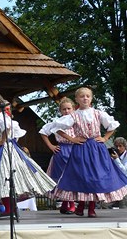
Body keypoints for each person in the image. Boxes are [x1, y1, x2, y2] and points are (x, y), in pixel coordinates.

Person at [49, 87, 127, 217]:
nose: (85, 98)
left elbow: (112, 125)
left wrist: (105, 138)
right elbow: (57, 128)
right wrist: (72, 139)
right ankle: (80, 206)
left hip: (97, 148)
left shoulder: (97, 113)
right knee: (81, 176)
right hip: (81, 148)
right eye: (82, 96)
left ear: (91, 98)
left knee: (95, 177)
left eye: (87, 96)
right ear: (77, 99)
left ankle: (91, 208)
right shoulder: (74, 115)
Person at [0, 93, 56, 219]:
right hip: (10, 148)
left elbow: (7, 127)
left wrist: (2, 140)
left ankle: (9, 209)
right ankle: (10, 208)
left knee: (2, 178)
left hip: (3, 150)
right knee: (7, 178)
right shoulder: (3, 116)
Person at [39, 97, 77, 214]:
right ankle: (67, 203)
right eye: (64, 109)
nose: (66, 111)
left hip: (75, 150)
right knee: (62, 178)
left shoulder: (77, 122)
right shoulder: (58, 122)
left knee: (73, 177)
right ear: (60, 111)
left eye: (69, 108)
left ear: (73, 109)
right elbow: (43, 132)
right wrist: (51, 146)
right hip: (62, 151)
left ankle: (69, 203)